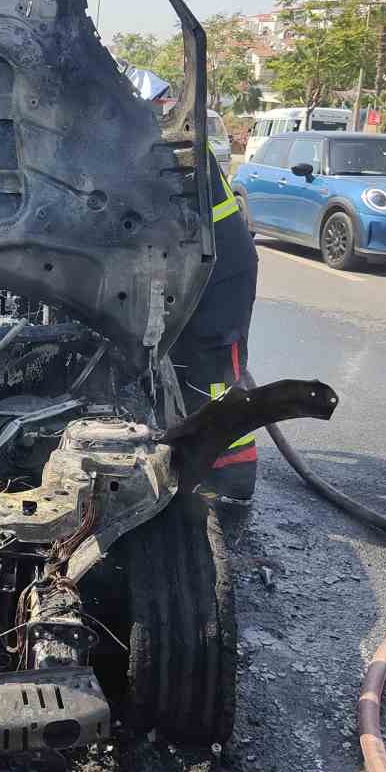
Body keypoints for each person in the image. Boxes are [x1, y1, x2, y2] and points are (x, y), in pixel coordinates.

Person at [172, 143, 259, 503]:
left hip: (221, 276)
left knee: (216, 376)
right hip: (193, 269)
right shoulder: (152, 135)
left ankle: (234, 475)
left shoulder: (178, 147)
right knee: (185, 371)